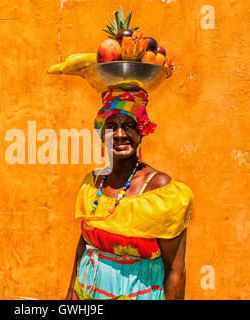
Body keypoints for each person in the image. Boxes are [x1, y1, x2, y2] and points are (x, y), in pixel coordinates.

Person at [66, 89, 194, 300]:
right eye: (111, 127)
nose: (119, 134)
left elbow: (176, 270)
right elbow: (84, 243)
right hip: (88, 291)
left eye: (128, 126)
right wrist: (71, 292)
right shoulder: (93, 183)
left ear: (141, 131)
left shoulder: (161, 190)